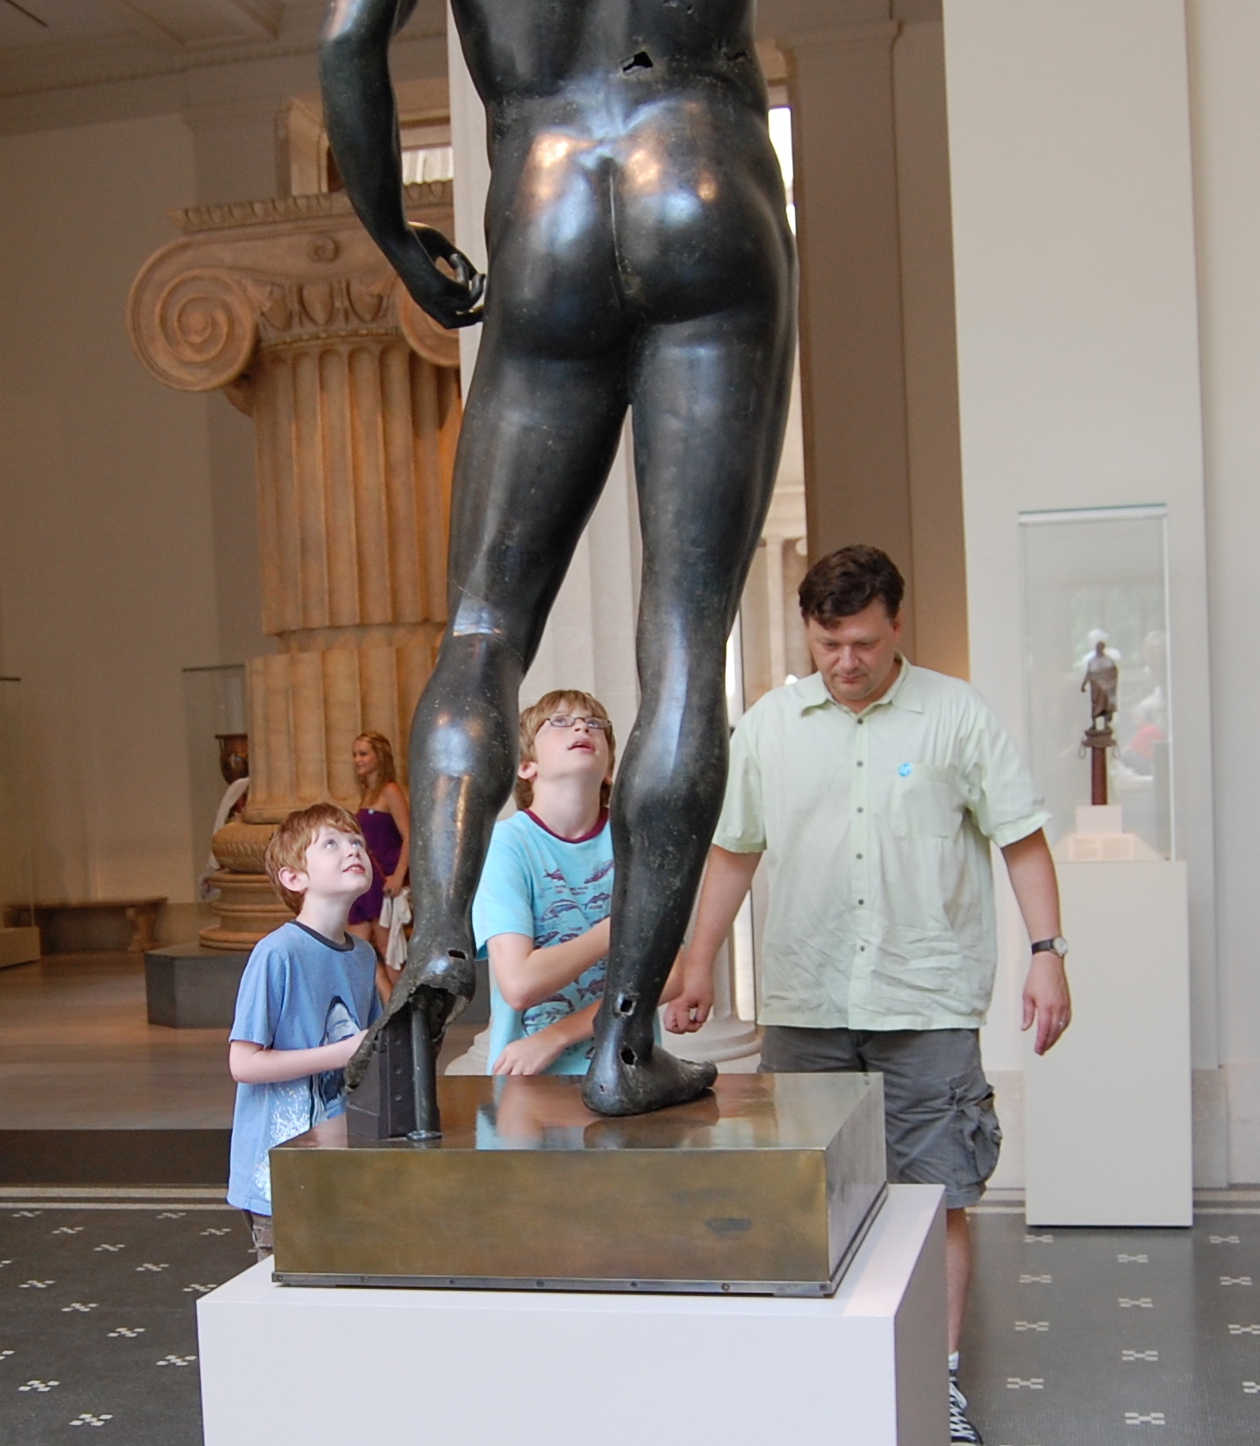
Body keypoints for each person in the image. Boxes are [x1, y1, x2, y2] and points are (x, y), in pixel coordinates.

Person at [323, 0, 794, 1124]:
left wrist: (395, 235)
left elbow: (345, 40)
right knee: (684, 642)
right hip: (707, 176)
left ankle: (440, 942)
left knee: (480, 631)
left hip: (544, 209)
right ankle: (624, 1044)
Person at [664, 545, 1070, 1446]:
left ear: (896, 627)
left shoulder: (955, 715)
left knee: (936, 1199)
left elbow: (1021, 839)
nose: (845, 662)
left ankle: (938, 1382)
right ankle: (819, 1381)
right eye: (827, 644)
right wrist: (697, 961)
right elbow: (733, 850)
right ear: (807, 632)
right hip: (805, 1004)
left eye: (863, 643)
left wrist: (1047, 953)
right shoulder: (769, 726)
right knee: (803, 1204)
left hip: (925, 1003)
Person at [476, 689, 669, 1077]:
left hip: (626, 1072)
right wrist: (624, 927)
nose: (582, 727)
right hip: (531, 1080)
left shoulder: (639, 840)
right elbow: (520, 983)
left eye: (594, 723)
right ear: (525, 765)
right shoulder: (506, 845)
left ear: (609, 769)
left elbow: (672, 975)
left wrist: (558, 1036)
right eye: (560, 722)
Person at [225, 802, 386, 1256]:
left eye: (356, 841)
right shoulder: (278, 952)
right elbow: (244, 1064)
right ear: (294, 878)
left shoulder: (362, 956)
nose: (352, 849)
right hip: (280, 1176)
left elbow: (369, 1053)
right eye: (331, 843)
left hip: (337, 1162)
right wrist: (342, 1052)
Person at [346, 731, 410, 999]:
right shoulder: (368, 794)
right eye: (355, 754)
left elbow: (409, 835)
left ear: (379, 756)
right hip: (367, 878)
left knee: (388, 949)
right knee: (356, 948)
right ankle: (383, 1002)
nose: (357, 760)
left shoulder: (390, 791)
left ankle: (403, 1006)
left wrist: (398, 876)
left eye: (363, 754)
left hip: (384, 880)